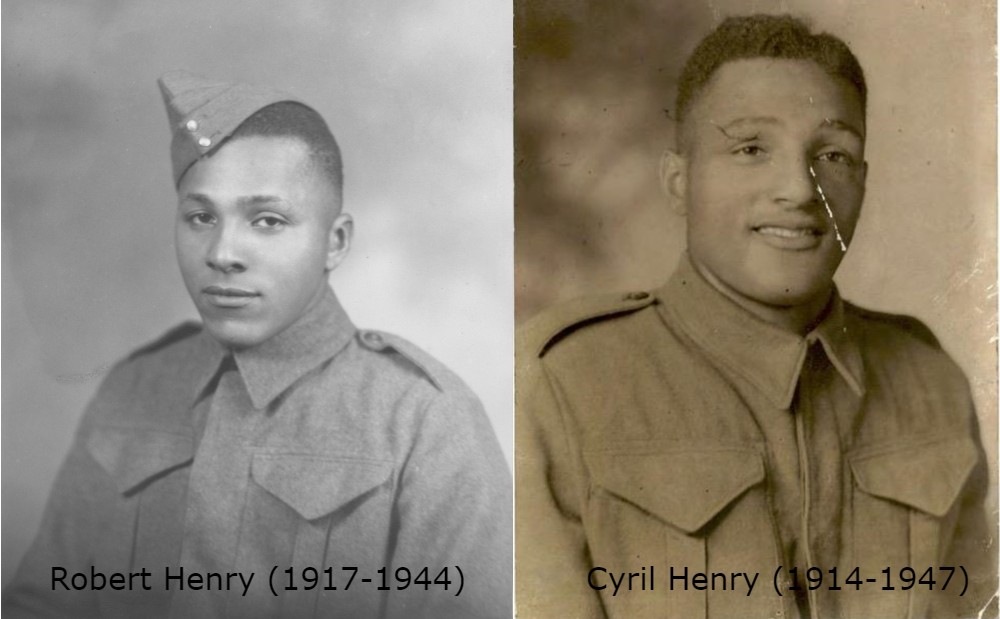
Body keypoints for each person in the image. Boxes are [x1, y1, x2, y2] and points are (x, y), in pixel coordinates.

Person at [516, 14, 994, 619]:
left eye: (833, 155)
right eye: (750, 149)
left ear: (863, 184)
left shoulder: (932, 385)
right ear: (678, 182)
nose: (798, 187)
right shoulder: (561, 386)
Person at [5, 70, 511, 619]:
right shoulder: (132, 389)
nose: (223, 252)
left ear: (334, 242)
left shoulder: (425, 421)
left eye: (266, 221)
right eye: (201, 217)